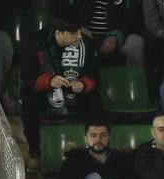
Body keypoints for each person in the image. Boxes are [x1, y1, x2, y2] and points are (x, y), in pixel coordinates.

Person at [19, 16, 102, 155]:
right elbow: (27, 78)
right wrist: (49, 81)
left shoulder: (85, 43)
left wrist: (83, 84)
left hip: (74, 90)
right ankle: (35, 152)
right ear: (59, 33)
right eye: (73, 33)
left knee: (94, 99)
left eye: (79, 32)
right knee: (29, 101)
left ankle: (94, 150)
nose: (79, 36)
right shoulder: (35, 44)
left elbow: (95, 75)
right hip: (45, 91)